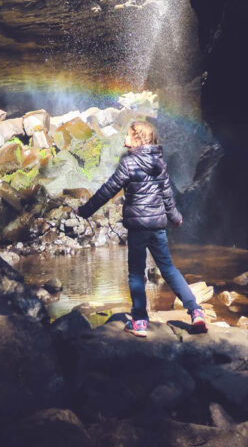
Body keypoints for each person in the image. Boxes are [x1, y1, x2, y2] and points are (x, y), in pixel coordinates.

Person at [76, 119, 208, 338]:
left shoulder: (129, 163)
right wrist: (175, 218)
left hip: (138, 228)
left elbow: (108, 190)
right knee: (168, 269)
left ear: (137, 139)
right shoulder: (159, 163)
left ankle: (139, 321)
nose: (124, 138)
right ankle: (196, 311)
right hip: (157, 226)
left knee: (137, 274)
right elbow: (167, 195)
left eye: (127, 134)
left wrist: (85, 211)